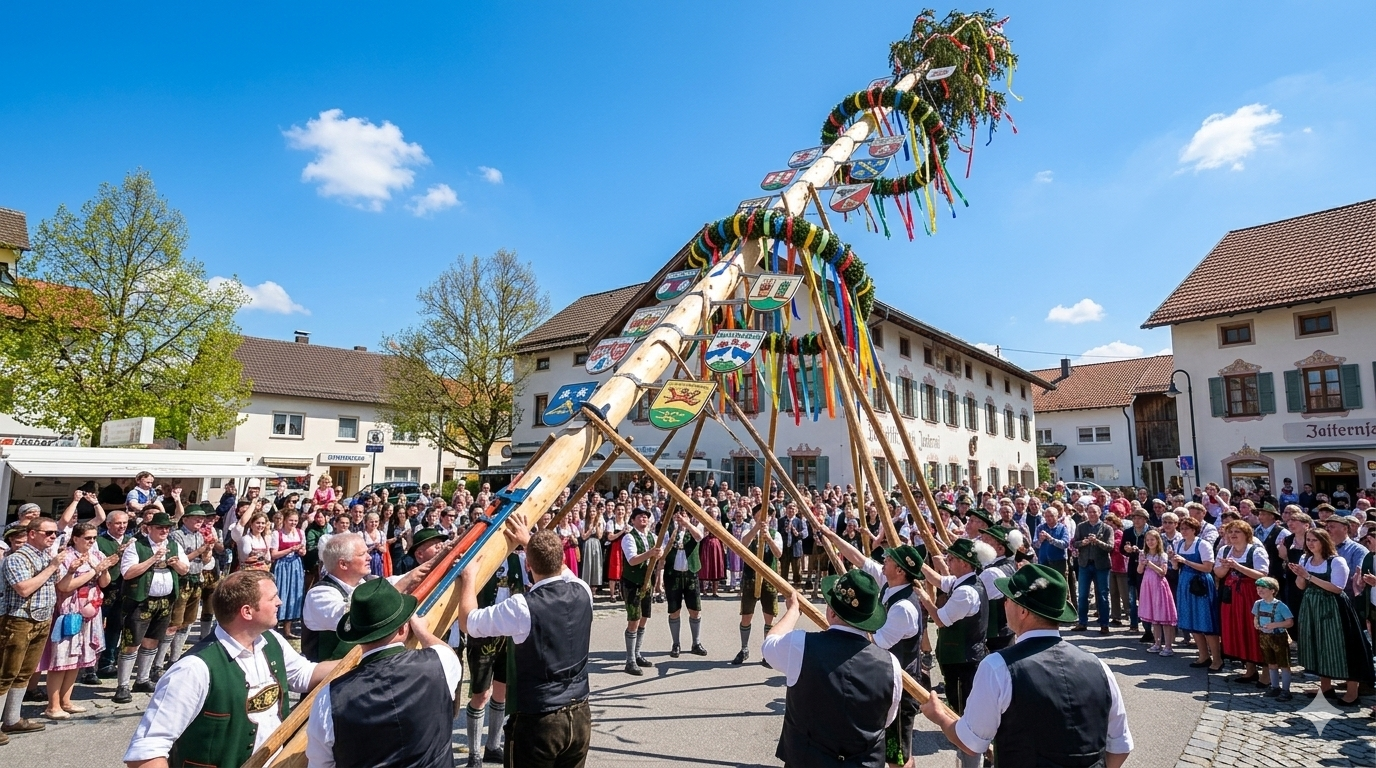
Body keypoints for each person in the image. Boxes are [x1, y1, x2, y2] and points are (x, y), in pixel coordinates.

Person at [919, 564, 1134, 768]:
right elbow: (1120, 747)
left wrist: (939, 715)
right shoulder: (1100, 668)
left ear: (1023, 611)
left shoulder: (998, 667)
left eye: (1008, 599)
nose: (1004, 604)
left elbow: (971, 743)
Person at [124, 570, 336, 768]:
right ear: (247, 611)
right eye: (272, 598)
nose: (279, 602)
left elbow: (304, 675)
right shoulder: (193, 669)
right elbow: (146, 751)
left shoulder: (270, 641)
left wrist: (364, 658)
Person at [459, 514, 595, 768]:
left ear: (528, 565)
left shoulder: (523, 607)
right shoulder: (582, 590)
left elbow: (469, 622)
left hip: (539, 720)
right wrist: (529, 541)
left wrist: (468, 579)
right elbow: (561, 569)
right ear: (563, 559)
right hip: (580, 716)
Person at [302, 577, 460, 768]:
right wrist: (423, 632)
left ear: (357, 638)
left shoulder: (329, 697)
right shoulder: (439, 664)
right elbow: (448, 654)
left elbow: (321, 764)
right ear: (404, 626)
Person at [763, 570, 902, 767]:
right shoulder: (891, 664)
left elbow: (769, 645)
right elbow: (885, 720)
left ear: (831, 612)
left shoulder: (800, 645)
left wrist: (792, 612)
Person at [823, 525, 926, 768]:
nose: (884, 559)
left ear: (899, 570)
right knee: (892, 752)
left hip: (901, 685)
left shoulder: (903, 608)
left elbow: (876, 643)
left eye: (889, 559)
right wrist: (831, 535)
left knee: (898, 755)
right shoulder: (890, 585)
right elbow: (860, 560)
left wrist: (844, 624)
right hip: (885, 679)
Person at [914, 539, 994, 768]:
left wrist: (925, 599)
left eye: (953, 559)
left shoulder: (966, 592)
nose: (948, 561)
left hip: (963, 660)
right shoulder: (964, 582)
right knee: (959, 705)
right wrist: (918, 561)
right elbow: (938, 579)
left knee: (962, 710)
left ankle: (974, 756)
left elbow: (940, 620)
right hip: (960, 658)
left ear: (966, 565)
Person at [300, 533, 435, 662]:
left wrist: (439, 559)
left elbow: (402, 579)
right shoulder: (319, 594)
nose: (369, 557)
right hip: (330, 679)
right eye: (362, 554)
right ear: (343, 564)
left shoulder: (365, 582)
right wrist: (404, 583)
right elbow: (353, 618)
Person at [38, 522, 119, 719]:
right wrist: (93, 571)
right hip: (70, 611)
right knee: (62, 658)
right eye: (87, 538)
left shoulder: (96, 555)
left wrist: (105, 569)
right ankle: (53, 705)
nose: (91, 541)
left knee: (78, 658)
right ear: (76, 538)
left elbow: (104, 583)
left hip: (90, 611)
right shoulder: (66, 557)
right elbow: (64, 587)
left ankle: (66, 700)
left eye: (94, 538)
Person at [461, 538, 527, 767]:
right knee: (481, 694)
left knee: (503, 691)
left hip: (508, 633)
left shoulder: (517, 560)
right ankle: (473, 753)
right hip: (482, 633)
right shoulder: (479, 561)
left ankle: (492, 746)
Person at [1290, 528, 1375, 706]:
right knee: (1318, 644)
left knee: (1342, 647)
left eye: (1315, 540)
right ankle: (1325, 687)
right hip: (1312, 606)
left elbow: (1337, 588)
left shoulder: (1337, 561)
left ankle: (1352, 692)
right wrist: (1300, 575)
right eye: (1308, 540)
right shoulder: (1306, 559)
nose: (1310, 543)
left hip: (1333, 608)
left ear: (1324, 541)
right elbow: (1301, 586)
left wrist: (1308, 575)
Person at [0, 518, 67, 741]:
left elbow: (53, 585)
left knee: (24, 673)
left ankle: (11, 719)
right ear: (32, 533)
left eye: (55, 534)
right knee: (5, 674)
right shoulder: (16, 558)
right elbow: (23, 589)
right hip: (18, 620)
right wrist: (52, 567)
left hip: (41, 619)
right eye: (48, 533)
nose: (52, 537)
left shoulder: (45, 556)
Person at [114, 512, 191, 705]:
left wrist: (176, 564)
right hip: (141, 601)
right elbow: (128, 573)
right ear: (149, 529)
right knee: (131, 642)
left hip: (164, 601)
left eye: (167, 528)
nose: (164, 531)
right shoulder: (137, 546)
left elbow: (185, 570)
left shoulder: (174, 545)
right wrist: (152, 560)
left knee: (152, 641)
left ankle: (142, 679)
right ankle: (122, 685)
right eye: (160, 527)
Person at [1213, 519, 1268, 685]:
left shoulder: (1256, 551)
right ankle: (1250, 669)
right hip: (1231, 596)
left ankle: (1266, 673)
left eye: (1237, 532)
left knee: (1255, 630)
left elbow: (1262, 575)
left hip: (1252, 595)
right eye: (1230, 532)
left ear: (1246, 534)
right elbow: (1219, 574)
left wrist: (1237, 566)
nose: (1233, 535)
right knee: (1239, 629)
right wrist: (1226, 567)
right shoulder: (1224, 550)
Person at [166, 504, 216, 673]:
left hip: (197, 579)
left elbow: (206, 561)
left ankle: (175, 657)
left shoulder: (201, 535)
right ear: (185, 519)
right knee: (174, 622)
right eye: (196, 518)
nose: (200, 521)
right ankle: (162, 660)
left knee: (188, 621)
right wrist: (200, 550)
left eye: (201, 519)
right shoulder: (176, 535)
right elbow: (179, 558)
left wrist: (208, 551)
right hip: (181, 580)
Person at [1172, 517, 1221, 670]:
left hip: (1200, 585)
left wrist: (1185, 561)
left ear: (1194, 530)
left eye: (1187, 528)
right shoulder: (1179, 544)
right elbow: (1175, 568)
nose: (1184, 531)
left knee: (1206, 622)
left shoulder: (1203, 545)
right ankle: (1203, 655)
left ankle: (1217, 659)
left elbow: (1207, 568)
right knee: (1193, 621)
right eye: (1182, 528)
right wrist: (1174, 561)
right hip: (1185, 583)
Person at [734, 513, 782, 666]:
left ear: (770, 518)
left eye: (765, 515)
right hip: (750, 579)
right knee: (746, 616)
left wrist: (768, 538)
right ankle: (744, 649)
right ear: (754, 517)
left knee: (769, 617)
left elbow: (778, 554)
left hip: (768, 580)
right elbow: (742, 545)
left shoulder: (776, 534)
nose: (762, 518)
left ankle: (767, 654)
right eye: (758, 515)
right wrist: (756, 529)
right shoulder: (747, 531)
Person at [619, 507, 661, 675]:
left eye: (646, 516)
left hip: (647, 583)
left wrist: (660, 553)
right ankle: (629, 660)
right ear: (633, 520)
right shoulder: (629, 538)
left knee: (643, 619)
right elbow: (632, 560)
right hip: (632, 583)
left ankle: (637, 654)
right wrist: (651, 553)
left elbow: (661, 554)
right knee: (634, 620)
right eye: (640, 516)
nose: (644, 518)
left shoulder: (653, 537)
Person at [662, 509, 708, 658]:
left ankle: (696, 642)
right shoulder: (667, 531)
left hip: (690, 574)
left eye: (684, 515)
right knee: (674, 610)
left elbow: (699, 536)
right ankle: (676, 643)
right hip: (672, 575)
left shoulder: (694, 527)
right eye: (678, 515)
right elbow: (661, 551)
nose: (681, 517)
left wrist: (687, 523)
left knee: (695, 610)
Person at [96, 511, 136, 679]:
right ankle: (91, 667)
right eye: (118, 523)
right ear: (109, 524)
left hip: (123, 589)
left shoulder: (131, 540)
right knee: (97, 627)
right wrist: (119, 552)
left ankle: (108, 662)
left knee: (116, 627)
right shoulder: (99, 541)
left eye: (125, 523)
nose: (122, 527)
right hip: (104, 588)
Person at [1072, 505, 1114, 635]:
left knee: (1102, 595)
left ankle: (1104, 624)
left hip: (1101, 566)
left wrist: (1097, 541)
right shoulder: (1081, 526)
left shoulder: (1107, 528)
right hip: (1085, 564)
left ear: (1100, 513)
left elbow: (1110, 547)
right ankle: (1082, 622)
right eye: (1089, 512)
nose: (1092, 514)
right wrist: (1083, 543)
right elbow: (1074, 543)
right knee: (1083, 595)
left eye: (1094, 512)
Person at [1252, 577, 1294, 701]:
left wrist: (1275, 625)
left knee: (1284, 664)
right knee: (1271, 663)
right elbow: (1255, 616)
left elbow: (1290, 622)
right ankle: (1274, 687)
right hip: (1264, 637)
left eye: (1263, 588)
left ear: (1272, 590)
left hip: (1278, 637)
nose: (1259, 590)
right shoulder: (1258, 604)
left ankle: (1286, 690)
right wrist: (1256, 623)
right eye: (1258, 588)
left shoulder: (1280, 606)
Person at [1136, 529, 1177, 655]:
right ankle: (1157, 643)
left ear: (1157, 541)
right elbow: (1139, 571)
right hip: (1147, 585)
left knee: (1163, 616)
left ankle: (1168, 646)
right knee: (1154, 617)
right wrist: (1142, 563)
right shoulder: (1144, 553)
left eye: (1152, 540)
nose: (1150, 542)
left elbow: (1163, 572)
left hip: (1159, 585)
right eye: (1147, 540)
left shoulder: (1162, 555)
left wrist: (1150, 564)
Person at [271, 510, 307, 639]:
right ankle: (274, 628)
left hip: (296, 565)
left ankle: (287, 629)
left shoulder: (300, 533)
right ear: (285, 520)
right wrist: (290, 549)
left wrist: (301, 551)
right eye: (291, 520)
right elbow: (274, 554)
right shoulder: (277, 534)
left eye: (295, 521)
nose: (293, 523)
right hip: (282, 566)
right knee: (281, 593)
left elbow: (304, 552)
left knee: (294, 593)